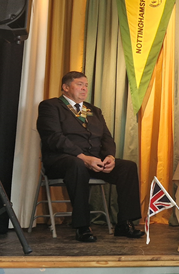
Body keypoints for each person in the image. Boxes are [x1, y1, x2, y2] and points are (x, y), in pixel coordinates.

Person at [36, 71, 145, 242]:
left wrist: (110, 156)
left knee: (128, 167)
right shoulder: (50, 106)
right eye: (79, 84)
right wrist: (83, 157)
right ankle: (83, 226)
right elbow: (53, 137)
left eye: (86, 85)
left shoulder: (93, 110)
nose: (84, 89)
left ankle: (125, 223)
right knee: (77, 165)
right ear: (65, 87)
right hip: (63, 161)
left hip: (94, 161)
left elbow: (106, 138)